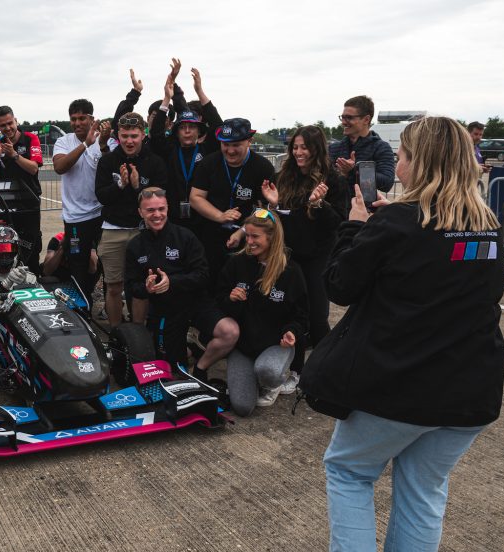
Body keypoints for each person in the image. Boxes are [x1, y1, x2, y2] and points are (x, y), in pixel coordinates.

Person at [300, 116, 504, 552]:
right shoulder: (486, 224)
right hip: (469, 388)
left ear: (421, 161)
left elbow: (339, 285)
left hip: (398, 384)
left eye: (404, 155)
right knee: (423, 492)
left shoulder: (395, 223)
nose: (399, 164)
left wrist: (356, 225)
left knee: (349, 472)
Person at [261, 125, 348, 382]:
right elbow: (274, 220)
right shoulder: (284, 176)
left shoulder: (333, 180)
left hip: (318, 256)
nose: (299, 153)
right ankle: (297, 371)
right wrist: (272, 205)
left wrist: (318, 204)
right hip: (288, 254)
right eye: (295, 147)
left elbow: (340, 223)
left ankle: (329, 371)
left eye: (304, 148)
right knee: (292, 314)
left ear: (317, 149)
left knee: (317, 316)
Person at [124, 188, 237, 375]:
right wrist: (147, 288)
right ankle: (189, 349)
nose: (157, 214)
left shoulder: (186, 236)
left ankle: (201, 368)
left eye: (161, 208)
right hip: (165, 310)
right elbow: (132, 287)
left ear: (168, 208)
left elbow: (203, 275)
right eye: (150, 210)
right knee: (169, 370)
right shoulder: (135, 246)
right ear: (140, 212)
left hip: (195, 302)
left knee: (229, 332)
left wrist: (173, 282)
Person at [217, 209, 307, 416]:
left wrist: (292, 331)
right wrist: (230, 299)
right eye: (247, 235)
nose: (249, 241)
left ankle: (274, 380)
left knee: (268, 372)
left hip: (275, 344)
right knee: (242, 407)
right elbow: (218, 301)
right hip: (244, 346)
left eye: (255, 236)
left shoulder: (292, 272)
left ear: (272, 238)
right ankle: (254, 376)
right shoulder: (236, 263)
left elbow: (302, 315)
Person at [94, 112, 168, 327]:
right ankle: (117, 334)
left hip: (142, 231)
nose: (129, 141)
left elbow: (161, 198)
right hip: (112, 230)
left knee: (141, 287)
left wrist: (138, 187)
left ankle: (138, 333)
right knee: (114, 286)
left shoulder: (154, 162)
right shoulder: (108, 161)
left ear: (143, 135)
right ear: (117, 135)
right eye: (124, 135)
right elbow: (101, 195)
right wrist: (120, 185)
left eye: (134, 136)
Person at [189, 117, 275, 277]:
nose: (230, 150)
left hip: (248, 239)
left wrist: (243, 231)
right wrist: (220, 216)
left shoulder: (263, 168)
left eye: (236, 145)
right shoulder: (209, 163)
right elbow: (195, 197)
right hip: (210, 235)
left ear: (249, 141)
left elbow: (265, 210)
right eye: (225, 145)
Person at [150, 68, 223, 239]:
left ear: (199, 131)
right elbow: (156, 136)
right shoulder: (170, 150)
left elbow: (219, 127)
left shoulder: (208, 149)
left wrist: (200, 92)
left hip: (204, 218)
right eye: (183, 127)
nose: (188, 131)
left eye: (192, 127)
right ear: (177, 132)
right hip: (174, 218)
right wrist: (166, 100)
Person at [52, 99, 112, 304]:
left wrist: (101, 143)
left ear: (92, 119)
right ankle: (81, 307)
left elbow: (111, 168)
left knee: (107, 263)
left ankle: (103, 304)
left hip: (101, 213)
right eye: (73, 119)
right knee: (78, 264)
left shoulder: (105, 139)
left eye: (82, 118)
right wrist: (85, 144)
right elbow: (60, 167)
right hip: (75, 217)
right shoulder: (64, 141)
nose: (77, 123)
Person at [0, 105, 43, 274]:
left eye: (9, 123)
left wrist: (14, 155)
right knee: (6, 244)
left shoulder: (30, 139)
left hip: (29, 200)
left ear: (16, 120)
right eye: (2, 125)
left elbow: (34, 168)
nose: (7, 128)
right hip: (6, 203)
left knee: (32, 244)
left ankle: (33, 277)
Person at [329, 95, 396, 196]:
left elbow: (387, 183)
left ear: (366, 119)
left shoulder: (381, 148)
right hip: (336, 210)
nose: (343, 122)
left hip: (364, 210)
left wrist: (355, 170)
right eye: (342, 117)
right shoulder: (334, 148)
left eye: (349, 118)